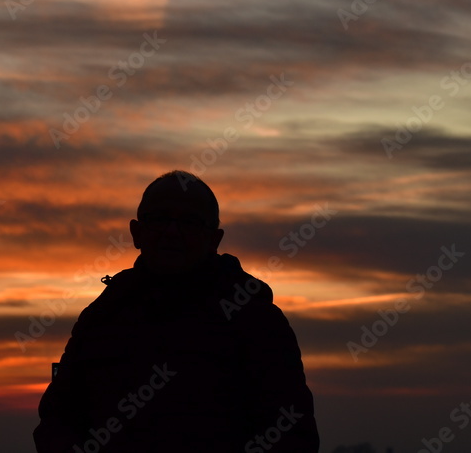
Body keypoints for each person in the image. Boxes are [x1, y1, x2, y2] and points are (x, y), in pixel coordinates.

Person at [33, 170, 319, 452]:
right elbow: (58, 420)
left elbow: (291, 435)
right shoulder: (101, 318)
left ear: (214, 239)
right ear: (136, 233)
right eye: (159, 219)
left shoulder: (256, 321)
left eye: (190, 222)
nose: (172, 232)